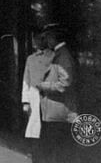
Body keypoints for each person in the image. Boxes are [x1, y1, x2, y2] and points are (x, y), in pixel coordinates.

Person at [35, 24, 80, 162]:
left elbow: (65, 84)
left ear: (54, 37)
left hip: (61, 113)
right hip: (56, 112)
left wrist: (43, 85)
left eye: (48, 36)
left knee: (60, 151)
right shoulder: (58, 54)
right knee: (56, 151)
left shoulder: (63, 56)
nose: (47, 40)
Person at [21, 30, 54, 143]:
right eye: (35, 38)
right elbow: (26, 80)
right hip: (33, 97)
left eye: (41, 38)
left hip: (49, 97)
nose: (37, 41)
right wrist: (25, 101)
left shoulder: (53, 56)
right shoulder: (31, 59)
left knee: (47, 130)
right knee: (34, 128)